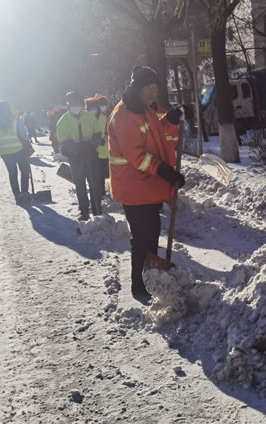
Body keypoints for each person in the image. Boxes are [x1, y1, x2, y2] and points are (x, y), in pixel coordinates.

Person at [108, 66, 184, 300]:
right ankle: (139, 286)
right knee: (142, 238)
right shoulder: (124, 115)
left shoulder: (144, 109)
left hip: (147, 185)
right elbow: (136, 155)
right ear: (137, 88)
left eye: (155, 88)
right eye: (148, 88)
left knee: (151, 233)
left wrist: (170, 120)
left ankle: (150, 278)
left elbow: (156, 133)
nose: (153, 92)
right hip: (133, 187)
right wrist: (164, 171)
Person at [56, 91, 102, 221]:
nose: (75, 106)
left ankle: (97, 210)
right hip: (76, 158)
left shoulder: (90, 117)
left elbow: (98, 133)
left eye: (77, 103)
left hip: (91, 156)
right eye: (72, 104)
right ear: (68, 105)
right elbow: (64, 141)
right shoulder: (63, 121)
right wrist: (77, 150)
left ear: (81, 103)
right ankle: (84, 211)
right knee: (80, 184)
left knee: (94, 184)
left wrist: (90, 146)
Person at [0, 101, 32, 204]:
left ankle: (17, 195)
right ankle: (24, 193)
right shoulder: (15, 120)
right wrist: (28, 145)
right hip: (19, 150)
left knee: (12, 173)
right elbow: (23, 134)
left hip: (6, 153)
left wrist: (1, 149)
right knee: (24, 171)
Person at [85, 94, 110, 200]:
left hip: (104, 150)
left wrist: (105, 139)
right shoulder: (85, 119)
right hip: (92, 151)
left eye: (94, 108)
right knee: (96, 175)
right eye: (90, 108)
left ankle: (103, 192)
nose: (93, 110)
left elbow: (106, 131)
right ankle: (98, 195)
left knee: (104, 173)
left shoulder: (103, 118)